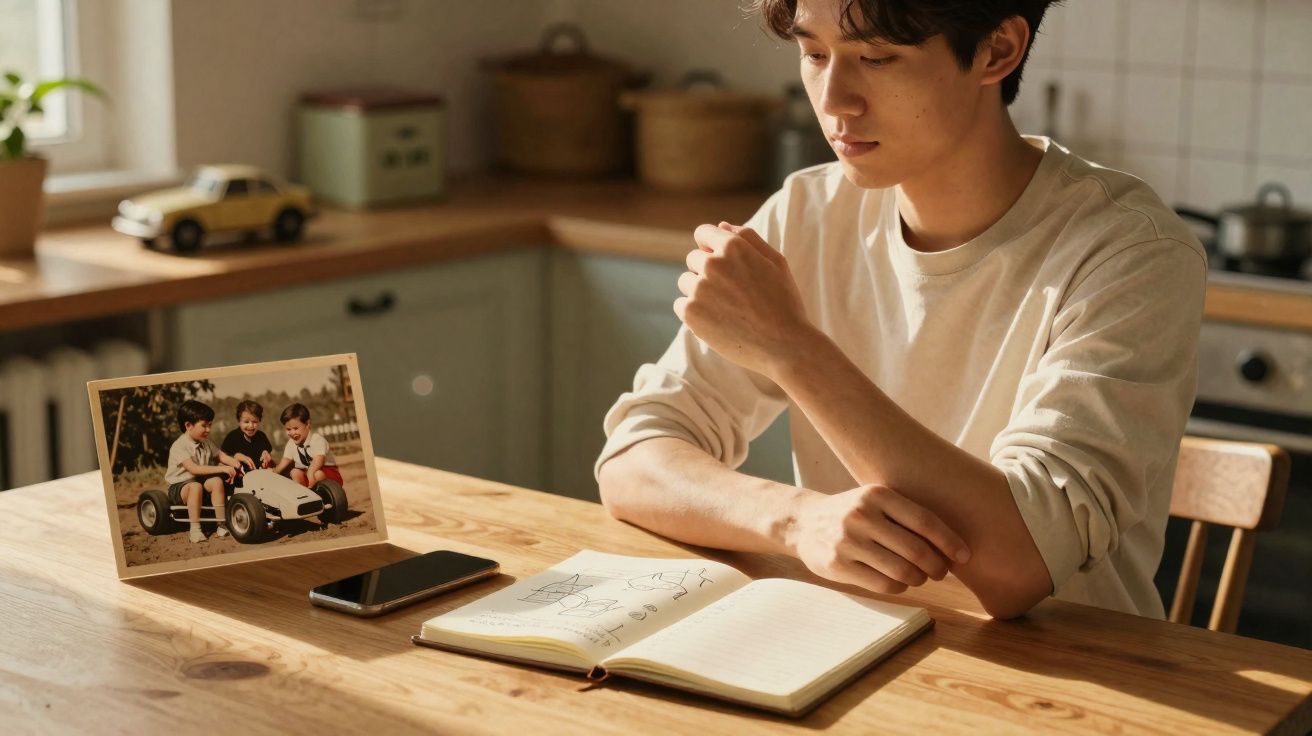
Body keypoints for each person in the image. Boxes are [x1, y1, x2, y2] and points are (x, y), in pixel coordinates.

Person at [595, 0, 1206, 620]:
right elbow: (633, 459)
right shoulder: (806, 213)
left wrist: (792, 348)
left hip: (1078, 682)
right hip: (850, 649)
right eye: (814, 54)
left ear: (997, 51)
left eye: (876, 57)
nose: (834, 101)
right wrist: (796, 520)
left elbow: (1021, 563)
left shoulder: (1131, 252)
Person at [163, 399, 245, 543]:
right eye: (204, 425)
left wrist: (235, 463)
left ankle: (221, 523)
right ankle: (195, 529)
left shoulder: (206, 442)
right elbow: (194, 469)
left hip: (199, 482)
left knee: (216, 481)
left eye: (210, 425)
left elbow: (220, 455)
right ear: (188, 425)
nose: (208, 429)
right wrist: (222, 468)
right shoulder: (180, 446)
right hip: (179, 487)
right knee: (195, 487)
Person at [272, 403, 344, 488]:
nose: (292, 433)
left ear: (308, 424)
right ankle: (304, 496)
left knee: (317, 473)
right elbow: (285, 460)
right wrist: (274, 472)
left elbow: (319, 459)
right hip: (307, 474)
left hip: (328, 473)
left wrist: (311, 472)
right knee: (295, 472)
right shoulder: (291, 443)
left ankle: (324, 495)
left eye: (296, 428)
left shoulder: (316, 439)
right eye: (288, 429)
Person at [221, 399, 275, 470]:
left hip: (259, 474)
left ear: (259, 421)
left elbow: (268, 457)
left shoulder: (261, 436)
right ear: (239, 421)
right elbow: (221, 459)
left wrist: (267, 457)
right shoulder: (232, 437)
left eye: (255, 422)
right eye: (246, 422)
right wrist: (236, 456)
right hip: (238, 476)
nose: (251, 425)